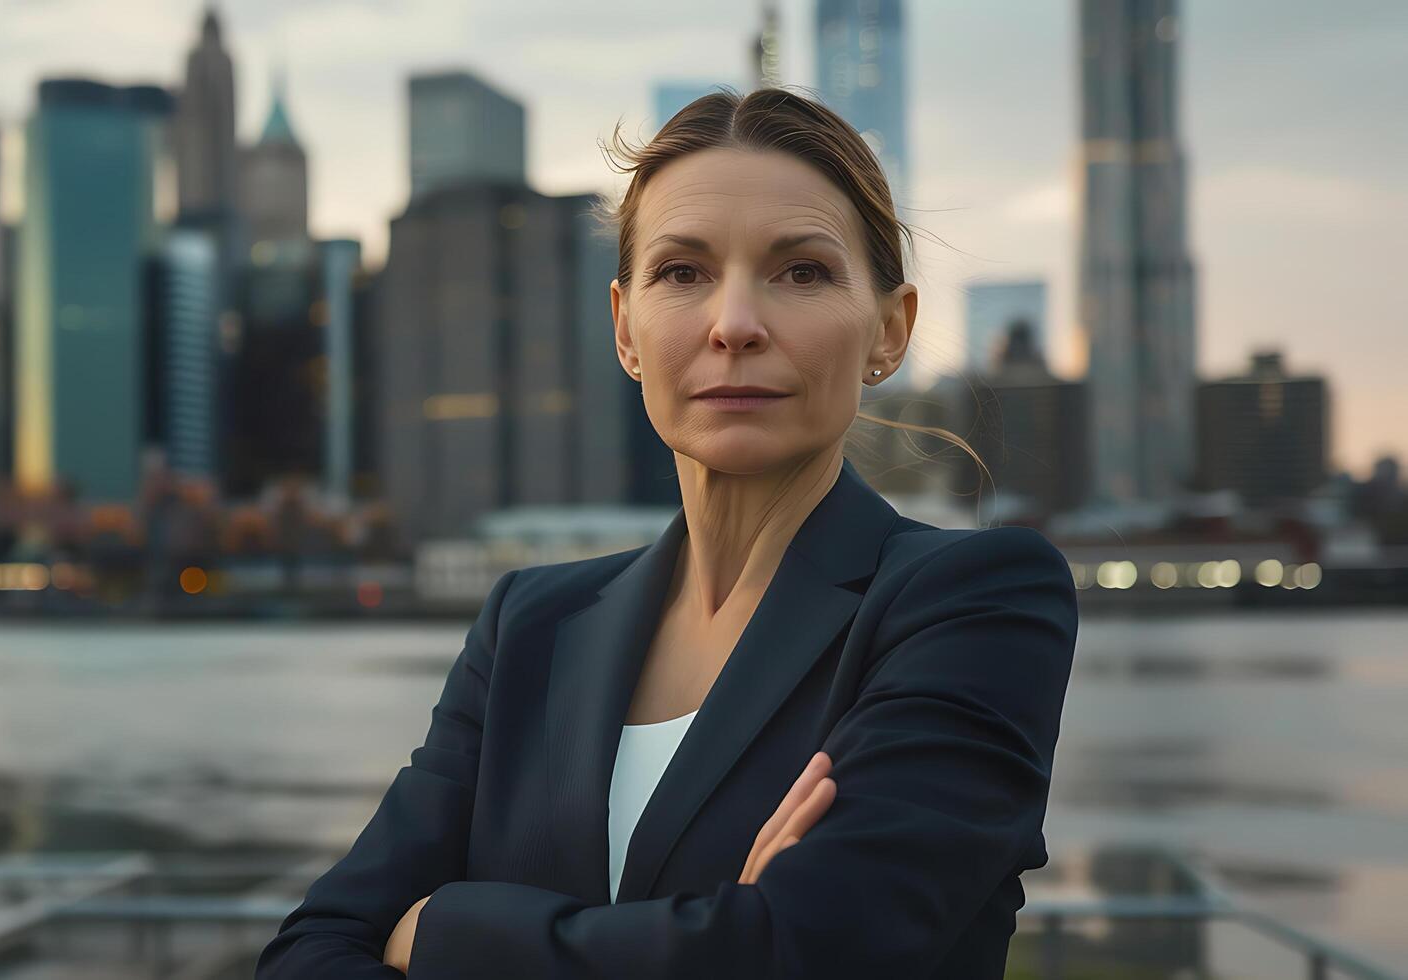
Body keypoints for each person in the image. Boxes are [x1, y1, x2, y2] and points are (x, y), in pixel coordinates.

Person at [256, 87, 1079, 979]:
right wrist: (718, 931)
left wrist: (444, 930)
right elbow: (308, 953)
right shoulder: (529, 624)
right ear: (625, 331)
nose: (733, 325)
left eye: (801, 271)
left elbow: (804, 954)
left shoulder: (970, 600)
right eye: (681, 273)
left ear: (888, 332)